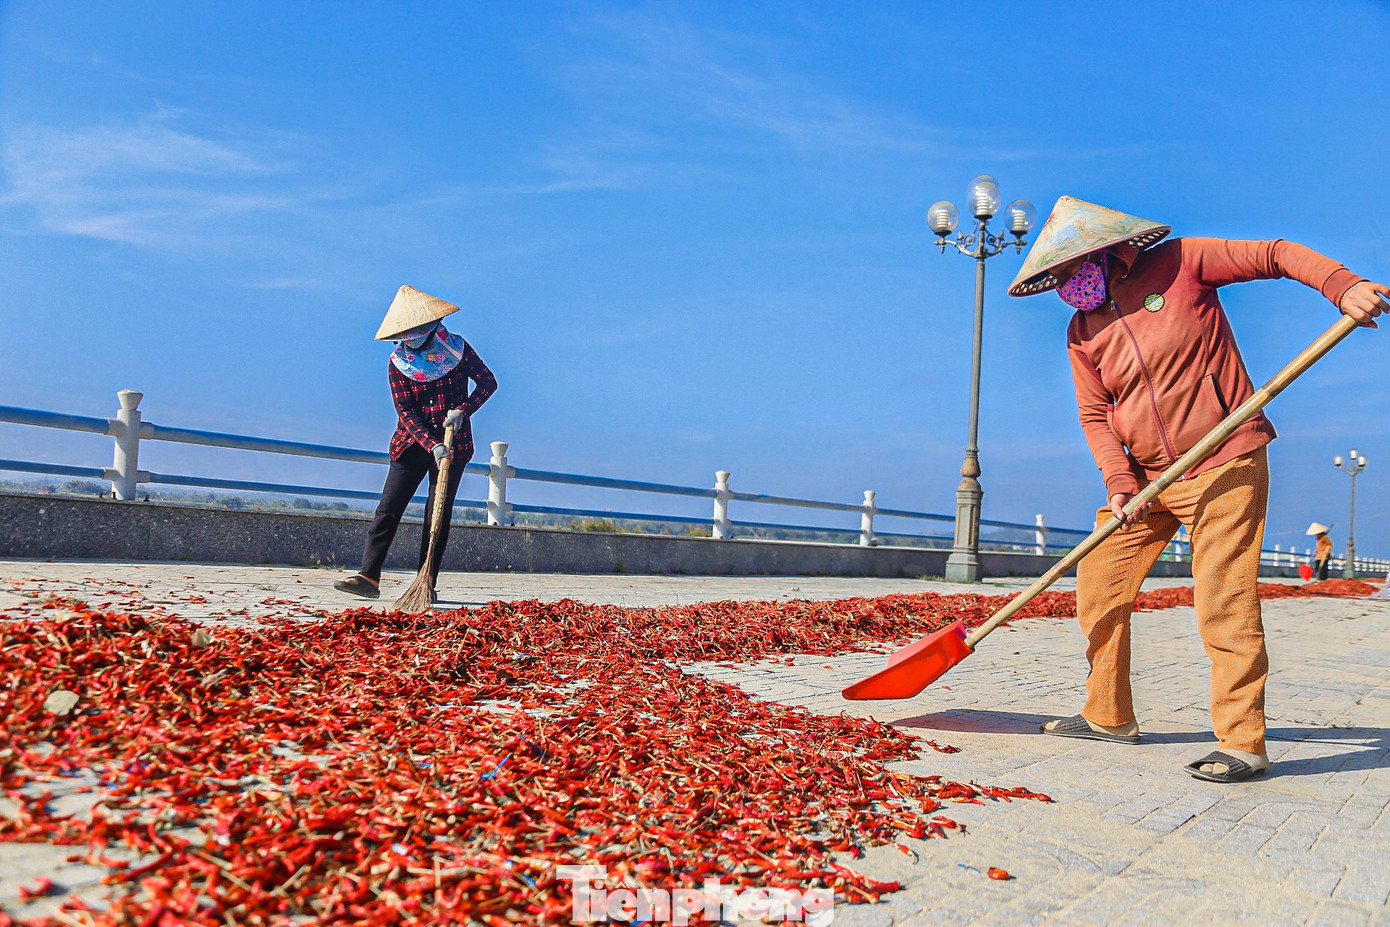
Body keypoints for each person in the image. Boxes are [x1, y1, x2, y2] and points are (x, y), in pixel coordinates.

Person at [1008, 196, 1387, 783]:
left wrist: (1342, 287)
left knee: (1222, 601)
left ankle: (1243, 743)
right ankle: (1108, 715)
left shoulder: (1182, 263)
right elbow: (1095, 414)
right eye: (1053, 276)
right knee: (1098, 581)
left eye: (1067, 269)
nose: (1063, 283)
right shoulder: (1082, 331)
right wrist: (1119, 483)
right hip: (1146, 482)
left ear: (1105, 252)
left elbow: (1276, 253)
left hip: (1224, 463)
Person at [333, 285, 497, 599]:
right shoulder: (398, 363)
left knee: (438, 514)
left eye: (416, 332)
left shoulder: (458, 349)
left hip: (453, 447)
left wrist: (463, 410)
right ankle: (368, 576)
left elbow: (488, 382)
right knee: (388, 509)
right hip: (412, 444)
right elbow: (404, 410)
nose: (411, 339)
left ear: (433, 326)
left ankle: (426, 581)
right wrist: (430, 444)